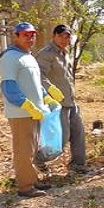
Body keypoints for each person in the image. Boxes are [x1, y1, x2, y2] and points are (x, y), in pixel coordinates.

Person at [0, 22, 60, 198]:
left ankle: (32, 180)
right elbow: (8, 87)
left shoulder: (29, 56)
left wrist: (46, 97)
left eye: (32, 35)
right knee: (23, 150)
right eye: (25, 35)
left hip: (35, 111)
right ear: (15, 36)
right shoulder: (10, 57)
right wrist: (26, 104)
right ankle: (25, 187)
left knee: (32, 148)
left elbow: (34, 84)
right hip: (21, 113)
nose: (30, 38)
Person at [35, 24, 88, 174]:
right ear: (54, 36)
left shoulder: (65, 53)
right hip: (56, 104)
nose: (65, 39)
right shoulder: (46, 54)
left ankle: (78, 165)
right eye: (62, 36)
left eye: (67, 37)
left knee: (78, 133)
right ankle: (38, 160)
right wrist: (50, 89)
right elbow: (38, 76)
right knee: (61, 139)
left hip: (70, 101)